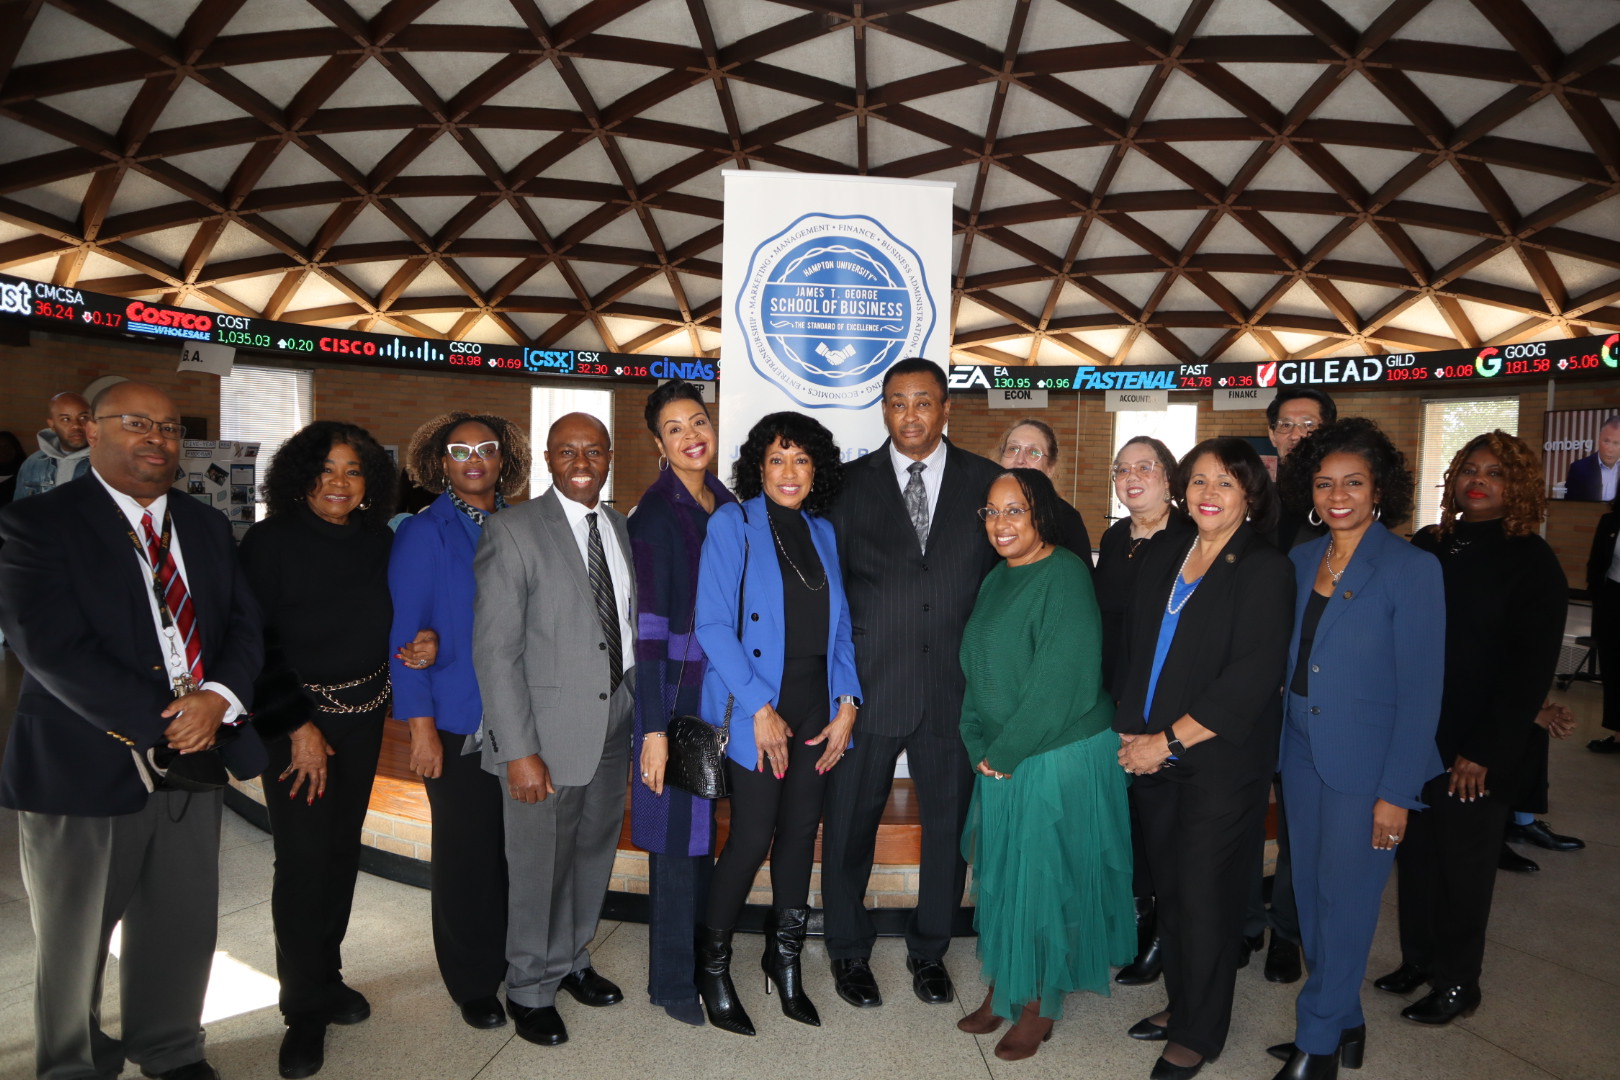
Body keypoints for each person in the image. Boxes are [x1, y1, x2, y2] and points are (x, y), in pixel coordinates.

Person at [0, 381, 266, 1080]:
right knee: (75, 938)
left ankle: (170, 1047)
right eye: (137, 423)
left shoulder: (205, 525)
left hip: (197, 755)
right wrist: (170, 721)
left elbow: (243, 624)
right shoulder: (40, 523)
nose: (158, 438)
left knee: (181, 924)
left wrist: (218, 699)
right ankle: (74, 1064)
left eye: (171, 427)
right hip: (86, 761)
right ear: (92, 430)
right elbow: (48, 646)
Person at [1264, 419, 1444, 1080]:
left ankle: (1317, 1047)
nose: (1338, 495)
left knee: (1348, 903)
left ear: (1378, 491)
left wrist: (1397, 794)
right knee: (1310, 896)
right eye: (1324, 483)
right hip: (1302, 756)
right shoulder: (1301, 560)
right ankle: (1343, 1020)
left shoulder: (1411, 568)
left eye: (1353, 483)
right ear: (1309, 493)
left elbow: (1423, 692)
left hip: (1367, 767)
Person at [821, 357, 1002, 1008]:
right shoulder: (843, 486)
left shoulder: (988, 483)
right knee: (848, 826)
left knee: (949, 829)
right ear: (883, 409)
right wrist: (838, 686)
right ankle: (847, 952)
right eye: (897, 403)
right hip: (867, 688)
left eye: (923, 402)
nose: (910, 416)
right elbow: (830, 595)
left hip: (955, 692)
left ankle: (930, 951)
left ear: (945, 407)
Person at [1113, 437, 1294, 1080]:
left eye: (1225, 483)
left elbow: (1250, 678)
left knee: (1206, 897)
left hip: (1218, 762)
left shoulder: (1264, 567)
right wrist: (1129, 734)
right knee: (1173, 893)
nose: (1208, 494)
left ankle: (1200, 1031)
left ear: (1249, 494)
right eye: (1199, 481)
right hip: (1153, 753)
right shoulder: (1169, 553)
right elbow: (1139, 653)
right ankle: (1182, 1003)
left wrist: (1166, 741)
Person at [1381, 431, 1568, 1025]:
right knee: (1415, 857)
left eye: (1494, 471)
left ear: (1517, 487)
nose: (1478, 479)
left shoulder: (1530, 559)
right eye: (1468, 468)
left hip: (1477, 745)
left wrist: (1483, 749)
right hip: (1417, 734)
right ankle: (1419, 960)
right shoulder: (1431, 545)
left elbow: (1528, 667)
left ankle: (1459, 982)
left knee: (1463, 867)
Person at [240, 420, 402, 1079]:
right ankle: (301, 1009)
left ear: (370, 483)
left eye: (354, 471)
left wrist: (417, 643)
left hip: (362, 719)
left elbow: (394, 613)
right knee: (304, 860)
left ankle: (326, 979)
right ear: (302, 476)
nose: (340, 482)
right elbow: (252, 642)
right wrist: (297, 727)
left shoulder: (377, 542)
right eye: (327, 469)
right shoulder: (270, 541)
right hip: (296, 724)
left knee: (340, 852)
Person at [955, 468, 1134, 1061]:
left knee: (1047, 881)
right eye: (992, 512)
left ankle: (1040, 1006)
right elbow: (976, 667)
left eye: (1015, 510)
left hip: (1056, 754)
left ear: (1040, 515)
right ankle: (1007, 988)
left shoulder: (1065, 574)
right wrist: (974, 736)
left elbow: (1058, 684)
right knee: (1006, 877)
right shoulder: (997, 578)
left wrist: (1002, 752)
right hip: (1005, 755)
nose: (1001, 524)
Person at [693, 412, 860, 1036]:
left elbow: (840, 626)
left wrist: (849, 702)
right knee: (751, 838)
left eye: (802, 461)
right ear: (758, 467)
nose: (790, 473)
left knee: (799, 836)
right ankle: (712, 967)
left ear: (816, 471)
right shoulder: (731, 523)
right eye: (777, 459)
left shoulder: (822, 532)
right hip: (758, 705)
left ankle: (783, 958)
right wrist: (761, 709)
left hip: (819, 705)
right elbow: (711, 624)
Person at [473, 412, 633, 1048]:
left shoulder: (617, 525)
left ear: (610, 456)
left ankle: (571, 961)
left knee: (591, 855)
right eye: (567, 451)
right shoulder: (512, 530)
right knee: (540, 867)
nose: (581, 461)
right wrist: (519, 751)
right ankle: (528, 987)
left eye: (593, 450)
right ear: (547, 458)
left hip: (615, 719)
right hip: (544, 736)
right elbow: (495, 651)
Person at [388, 411, 531, 1029]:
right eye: (459, 449)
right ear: (439, 462)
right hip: (458, 722)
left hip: (524, 717)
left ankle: (517, 960)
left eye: (487, 448)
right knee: (468, 855)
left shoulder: (522, 524)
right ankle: (473, 981)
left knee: (514, 852)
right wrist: (420, 727)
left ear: (504, 460)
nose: (474, 458)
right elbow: (405, 634)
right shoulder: (425, 532)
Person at [627, 381, 736, 1026]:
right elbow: (648, 633)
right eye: (674, 428)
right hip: (674, 694)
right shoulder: (656, 515)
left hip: (718, 690)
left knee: (702, 837)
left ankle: (696, 963)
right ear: (658, 444)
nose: (691, 435)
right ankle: (671, 983)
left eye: (698, 421)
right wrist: (653, 730)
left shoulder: (724, 502)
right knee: (674, 839)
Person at [1095, 435, 1192, 987]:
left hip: (1162, 710)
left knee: (1162, 830)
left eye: (1145, 467)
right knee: (1128, 825)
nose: (1132, 478)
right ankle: (1134, 924)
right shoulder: (1114, 537)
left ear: (1168, 477)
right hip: (1114, 702)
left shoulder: (1189, 539)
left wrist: (1149, 718)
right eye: (1121, 469)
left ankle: (1163, 937)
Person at [1252, 385, 1338, 984]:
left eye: (1308, 423)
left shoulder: (1339, 505)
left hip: (1311, 695)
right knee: (1241, 809)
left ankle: (1288, 931)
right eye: (1286, 424)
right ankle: (1238, 926)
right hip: (1249, 690)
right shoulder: (1257, 502)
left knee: (1302, 826)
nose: (1296, 433)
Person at [994, 417, 1092, 565]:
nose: (1020, 459)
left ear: (1051, 468)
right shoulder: (985, 512)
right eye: (1013, 449)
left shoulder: (1066, 519)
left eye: (1033, 452)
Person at [1586, 494, 1620, 755]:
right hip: (1613, 601)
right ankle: (1618, 734)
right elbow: (1596, 563)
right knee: (1614, 669)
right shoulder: (1610, 521)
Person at [16, 390, 92, 498]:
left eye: (83, 417)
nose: (76, 425)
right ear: (52, 425)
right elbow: (18, 512)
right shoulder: (33, 464)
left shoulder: (106, 463)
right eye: (66, 419)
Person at [1563, 415, 1620, 502]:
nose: (1610, 449)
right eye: (1606, 441)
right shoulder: (1578, 469)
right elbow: (1570, 507)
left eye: (1616, 443)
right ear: (1599, 439)